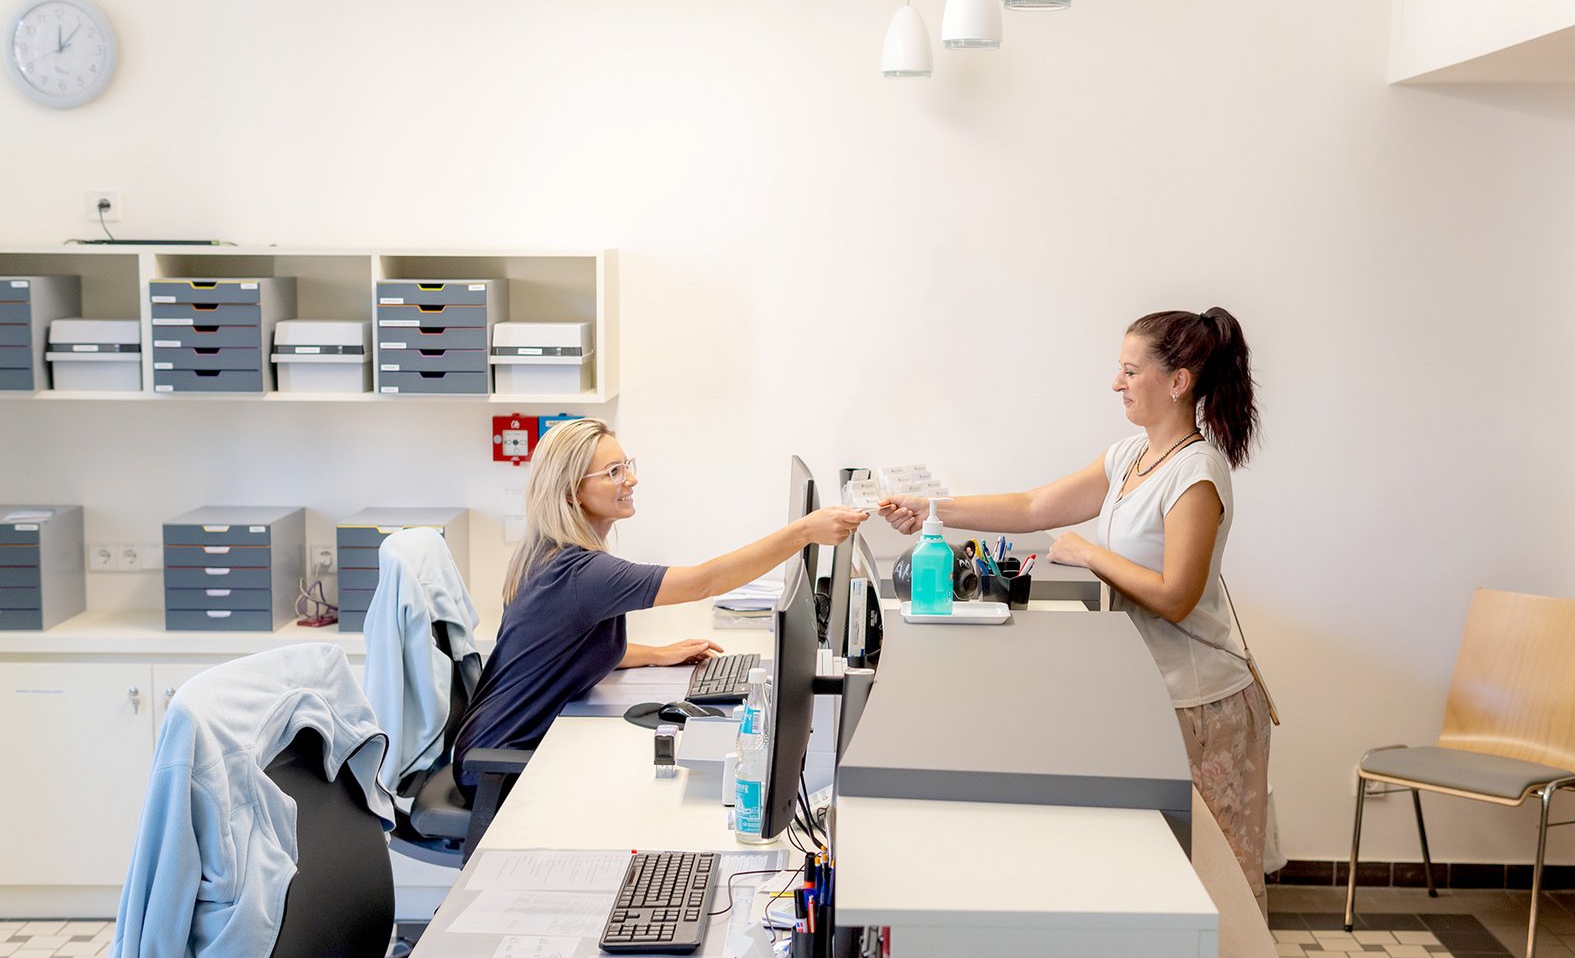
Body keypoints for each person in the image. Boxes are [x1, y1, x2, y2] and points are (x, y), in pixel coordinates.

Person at [880, 307, 1269, 912]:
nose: (1117, 383)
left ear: (1177, 381)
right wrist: (932, 508)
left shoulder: (1197, 473)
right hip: (1150, 690)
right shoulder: (1129, 458)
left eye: (1130, 371)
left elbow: (1176, 596)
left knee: (1215, 889)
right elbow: (1035, 506)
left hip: (1200, 702)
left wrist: (1089, 552)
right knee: (1163, 881)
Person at [454, 418, 867, 791]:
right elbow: (705, 581)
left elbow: (558, 649)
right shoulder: (582, 575)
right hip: (498, 763)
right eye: (613, 472)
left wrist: (654, 654)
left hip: (504, 740)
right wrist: (803, 533)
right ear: (572, 493)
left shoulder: (550, 554)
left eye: (627, 465)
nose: (630, 479)